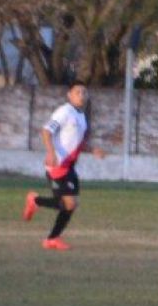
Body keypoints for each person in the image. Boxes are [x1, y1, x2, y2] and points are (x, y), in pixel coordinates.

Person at [22, 80, 105, 250]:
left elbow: (77, 143)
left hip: (70, 167)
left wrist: (92, 150)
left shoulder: (81, 117)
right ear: (70, 95)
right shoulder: (64, 111)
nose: (82, 95)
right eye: (77, 92)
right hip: (57, 166)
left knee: (71, 204)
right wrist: (51, 152)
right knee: (68, 203)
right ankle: (35, 202)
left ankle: (52, 237)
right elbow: (46, 131)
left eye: (84, 92)